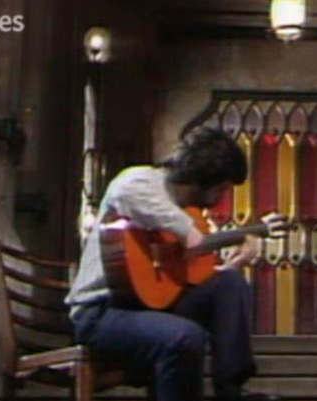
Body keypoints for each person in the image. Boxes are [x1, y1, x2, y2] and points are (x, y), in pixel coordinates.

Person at [65, 127, 281, 401]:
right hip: (101, 314)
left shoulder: (186, 212)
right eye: (223, 189)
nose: (222, 197)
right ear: (204, 182)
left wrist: (232, 262)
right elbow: (194, 241)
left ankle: (231, 391)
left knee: (229, 284)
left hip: (151, 306)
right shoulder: (138, 183)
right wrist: (252, 230)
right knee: (184, 336)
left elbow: (182, 266)